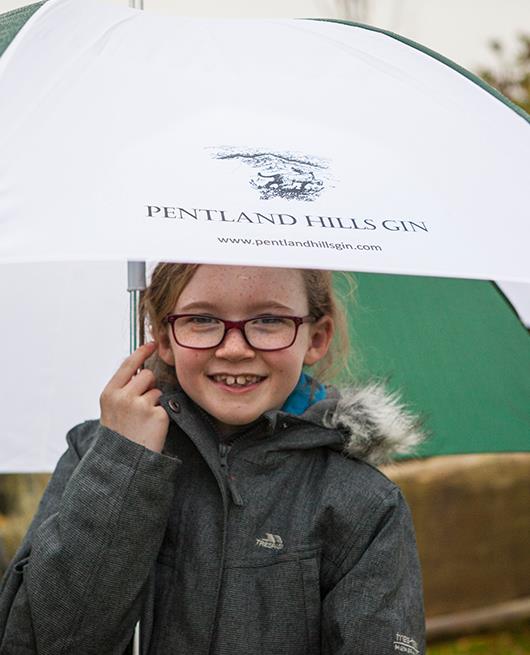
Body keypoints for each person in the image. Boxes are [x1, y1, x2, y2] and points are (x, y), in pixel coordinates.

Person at [0, 263, 425, 655]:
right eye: (201, 319)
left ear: (315, 337)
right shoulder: (98, 455)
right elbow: (36, 641)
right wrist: (122, 466)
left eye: (269, 320)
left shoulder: (365, 504)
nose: (235, 348)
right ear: (164, 337)